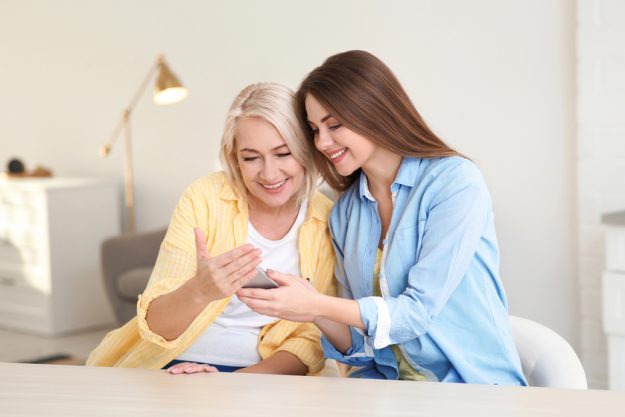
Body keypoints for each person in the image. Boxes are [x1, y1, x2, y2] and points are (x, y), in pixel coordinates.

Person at [238, 51, 527, 385]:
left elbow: (416, 314)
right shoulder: (346, 213)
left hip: (470, 389)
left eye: (335, 125)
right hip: (390, 392)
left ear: (373, 112)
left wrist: (319, 303)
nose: (322, 142)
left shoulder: (454, 183)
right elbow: (361, 345)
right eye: (315, 130)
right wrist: (313, 311)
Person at [87, 82, 335, 376]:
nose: (269, 174)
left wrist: (234, 384)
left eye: (283, 154)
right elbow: (154, 326)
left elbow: (310, 340)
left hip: (262, 377)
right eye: (251, 158)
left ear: (306, 149)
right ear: (234, 157)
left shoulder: (325, 219)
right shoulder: (204, 197)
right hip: (174, 365)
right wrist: (200, 291)